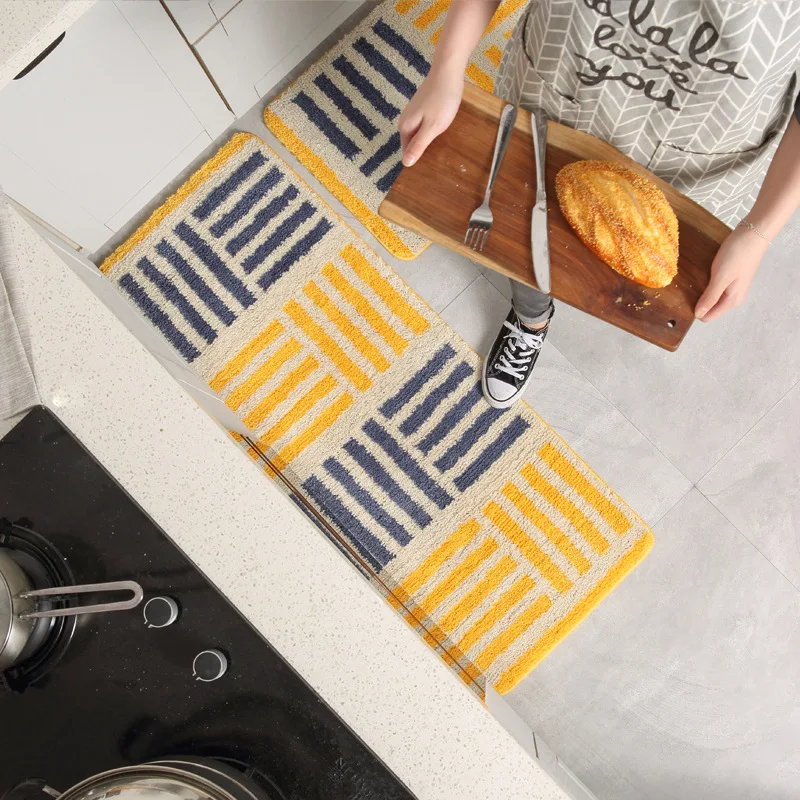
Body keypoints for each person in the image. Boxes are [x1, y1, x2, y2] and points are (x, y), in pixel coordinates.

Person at [398, 0, 800, 408]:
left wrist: (758, 233)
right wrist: (446, 70)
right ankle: (531, 319)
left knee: (640, 268)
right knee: (523, 235)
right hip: (554, 99)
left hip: (695, 166)